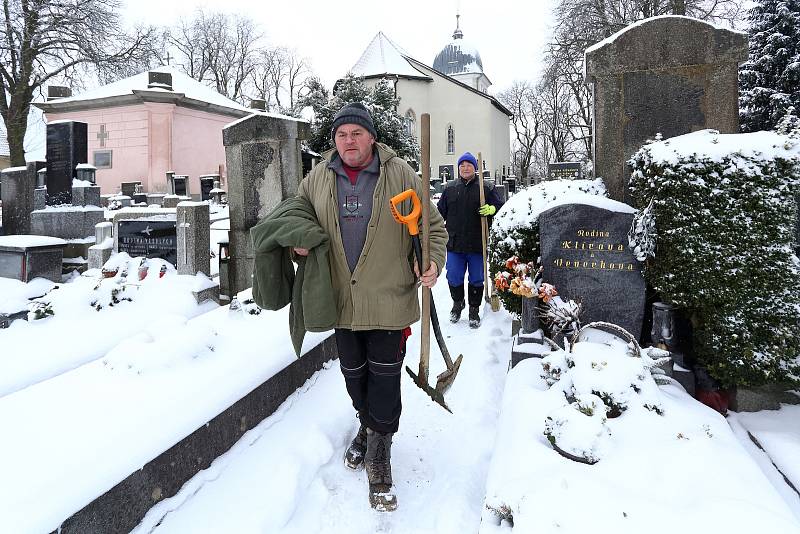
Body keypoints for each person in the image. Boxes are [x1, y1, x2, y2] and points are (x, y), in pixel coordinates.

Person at [294, 102, 448, 512]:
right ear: (335, 141)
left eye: (357, 133)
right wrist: (298, 244)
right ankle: (367, 423)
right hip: (342, 302)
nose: (349, 141)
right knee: (353, 375)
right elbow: (298, 222)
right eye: (342, 134)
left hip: (389, 297)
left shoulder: (399, 174)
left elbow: (433, 227)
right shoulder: (315, 180)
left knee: (384, 378)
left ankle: (380, 450)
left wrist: (431, 261)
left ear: (372, 137)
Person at [436, 151, 504, 328]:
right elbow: (438, 213)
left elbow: (499, 207)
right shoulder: (450, 188)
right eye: (462, 165)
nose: (465, 168)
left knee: (476, 278)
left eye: (469, 165)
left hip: (477, 242)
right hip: (455, 243)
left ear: (475, 168)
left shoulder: (485, 187)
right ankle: (458, 304)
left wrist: (491, 209)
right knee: (453, 276)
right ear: (458, 168)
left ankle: (474, 309)